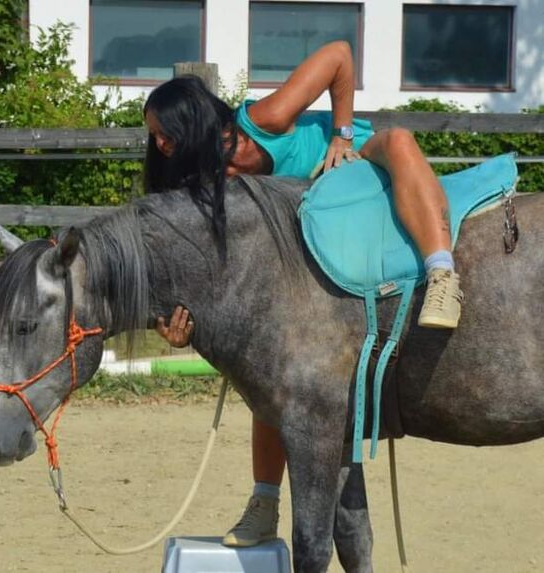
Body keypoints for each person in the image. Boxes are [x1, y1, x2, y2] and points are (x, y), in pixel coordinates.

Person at [145, 41, 463, 547]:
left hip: (360, 166)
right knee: (271, 379)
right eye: (155, 138)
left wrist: (340, 134)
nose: (159, 146)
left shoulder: (264, 120)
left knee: (399, 139)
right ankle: (264, 504)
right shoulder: (201, 184)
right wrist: (179, 325)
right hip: (308, 246)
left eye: (163, 134)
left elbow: (338, 53)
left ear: (190, 123)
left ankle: (443, 274)